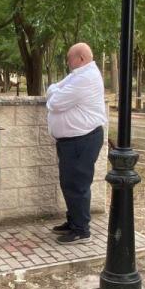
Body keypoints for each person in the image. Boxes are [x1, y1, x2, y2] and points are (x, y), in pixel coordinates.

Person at [46, 43, 107, 244]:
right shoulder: (77, 74)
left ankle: (81, 230)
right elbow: (53, 89)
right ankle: (74, 222)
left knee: (77, 185)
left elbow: (54, 102)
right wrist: (55, 90)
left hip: (83, 139)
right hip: (73, 141)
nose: (67, 61)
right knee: (69, 183)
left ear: (80, 58)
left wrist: (55, 91)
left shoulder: (86, 77)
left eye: (69, 57)